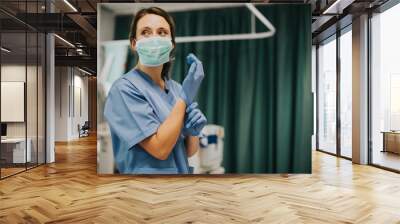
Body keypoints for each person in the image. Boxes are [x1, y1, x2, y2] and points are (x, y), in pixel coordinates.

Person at [104, 7, 207, 174]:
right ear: (134, 43)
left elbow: (188, 151)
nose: (154, 38)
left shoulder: (176, 89)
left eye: (162, 32)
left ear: (172, 44)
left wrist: (192, 133)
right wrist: (184, 100)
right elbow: (160, 149)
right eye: (145, 32)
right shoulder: (123, 89)